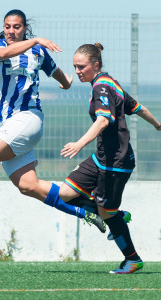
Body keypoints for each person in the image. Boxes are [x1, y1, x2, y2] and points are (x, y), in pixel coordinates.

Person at [0, 10, 106, 235]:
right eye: (8, 26)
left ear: (25, 28)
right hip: (6, 124)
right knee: (28, 186)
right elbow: (2, 55)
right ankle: (86, 209)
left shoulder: (39, 52)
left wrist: (68, 81)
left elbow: (64, 79)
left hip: (28, 119)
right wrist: (35, 41)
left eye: (16, 27)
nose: (11, 31)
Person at [59, 42, 161, 274]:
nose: (77, 71)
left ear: (95, 65)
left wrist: (79, 144)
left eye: (81, 66)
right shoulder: (110, 83)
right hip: (101, 158)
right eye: (75, 66)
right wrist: (157, 124)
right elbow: (138, 107)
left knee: (106, 212)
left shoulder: (101, 88)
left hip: (116, 161)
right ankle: (115, 215)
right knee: (66, 193)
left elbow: (103, 120)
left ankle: (132, 259)